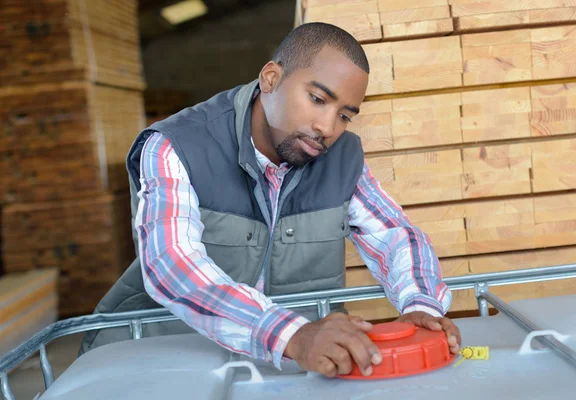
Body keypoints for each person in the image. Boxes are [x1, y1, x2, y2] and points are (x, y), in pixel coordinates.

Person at [80, 22, 461, 378]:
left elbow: (396, 234)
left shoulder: (341, 157)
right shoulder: (175, 145)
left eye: (345, 115)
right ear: (271, 78)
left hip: (284, 373)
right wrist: (292, 335)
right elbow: (173, 266)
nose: (327, 128)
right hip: (157, 364)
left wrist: (421, 306)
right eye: (316, 99)